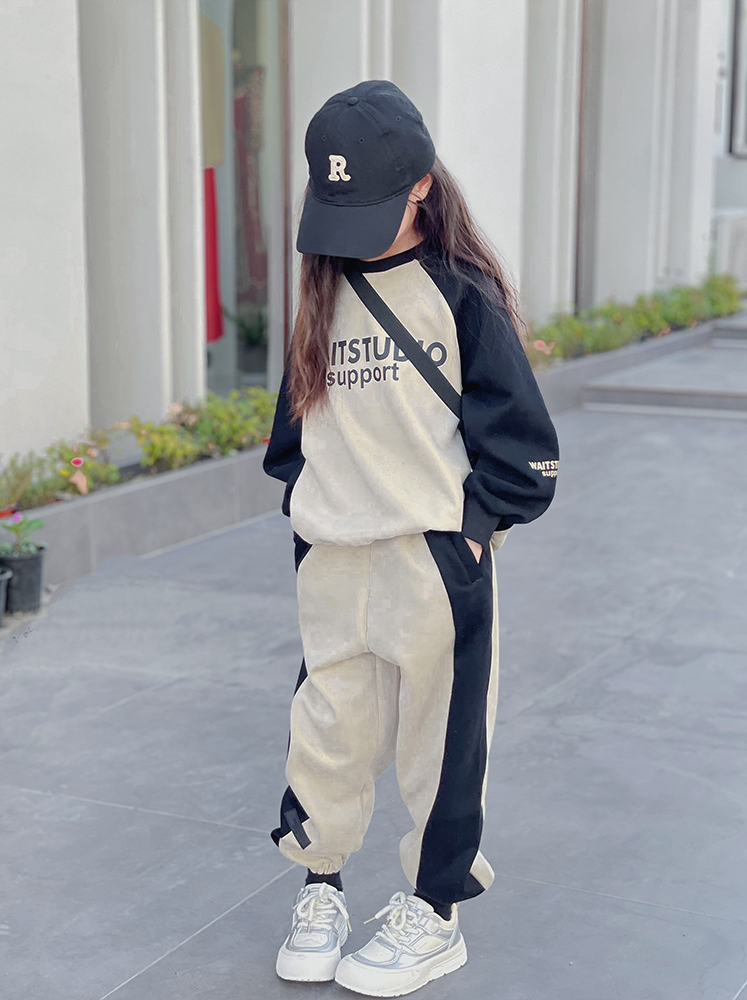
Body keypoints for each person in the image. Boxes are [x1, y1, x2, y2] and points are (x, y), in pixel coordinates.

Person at [263, 79, 559, 997]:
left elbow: (524, 445)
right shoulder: (322, 292)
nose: (352, 236)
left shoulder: (461, 293)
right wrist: (310, 517)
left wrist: (471, 532)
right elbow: (293, 435)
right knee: (329, 731)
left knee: (442, 740)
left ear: (423, 185)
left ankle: (435, 915)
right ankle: (321, 887)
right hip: (334, 557)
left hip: (431, 558)